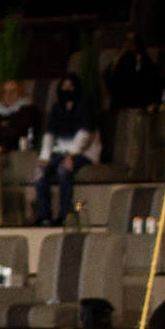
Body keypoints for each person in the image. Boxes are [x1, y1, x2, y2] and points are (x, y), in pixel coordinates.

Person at [33, 75, 100, 225]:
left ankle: (64, 216)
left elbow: (84, 135)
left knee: (64, 170)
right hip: (60, 152)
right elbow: (49, 135)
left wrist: (70, 155)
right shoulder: (57, 108)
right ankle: (45, 217)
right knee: (39, 173)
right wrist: (44, 156)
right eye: (65, 86)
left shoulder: (84, 106)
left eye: (71, 86)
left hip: (83, 153)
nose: (67, 89)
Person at [0, 80, 41, 151]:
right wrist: (0, 124)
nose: (8, 95)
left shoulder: (28, 109)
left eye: (13, 91)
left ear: (20, 92)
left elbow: (15, 131)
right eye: (5, 92)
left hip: (13, 149)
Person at [105, 32, 163, 110]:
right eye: (127, 42)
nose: (129, 45)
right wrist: (120, 56)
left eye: (131, 43)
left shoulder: (144, 60)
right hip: (122, 99)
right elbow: (110, 73)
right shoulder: (121, 60)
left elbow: (148, 78)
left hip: (138, 98)